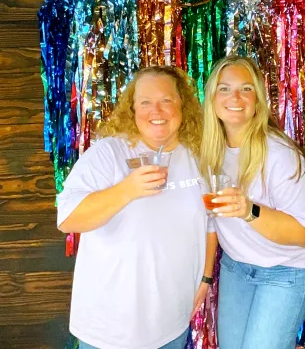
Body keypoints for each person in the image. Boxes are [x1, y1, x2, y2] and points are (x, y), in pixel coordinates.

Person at [57, 66, 218, 349]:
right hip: (110, 331)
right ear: (132, 108)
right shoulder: (108, 153)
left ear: (183, 105)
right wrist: (126, 190)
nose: (156, 110)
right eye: (145, 102)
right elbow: (68, 219)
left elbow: (209, 222)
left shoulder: (195, 157)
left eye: (166, 100)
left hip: (171, 324)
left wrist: (205, 278)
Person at [199, 55, 305, 349]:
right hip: (236, 269)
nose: (235, 97)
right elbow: (211, 222)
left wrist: (248, 210)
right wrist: (204, 278)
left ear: (258, 99)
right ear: (213, 99)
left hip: (286, 271)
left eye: (246, 89)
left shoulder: (279, 154)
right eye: (224, 89)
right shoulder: (208, 151)